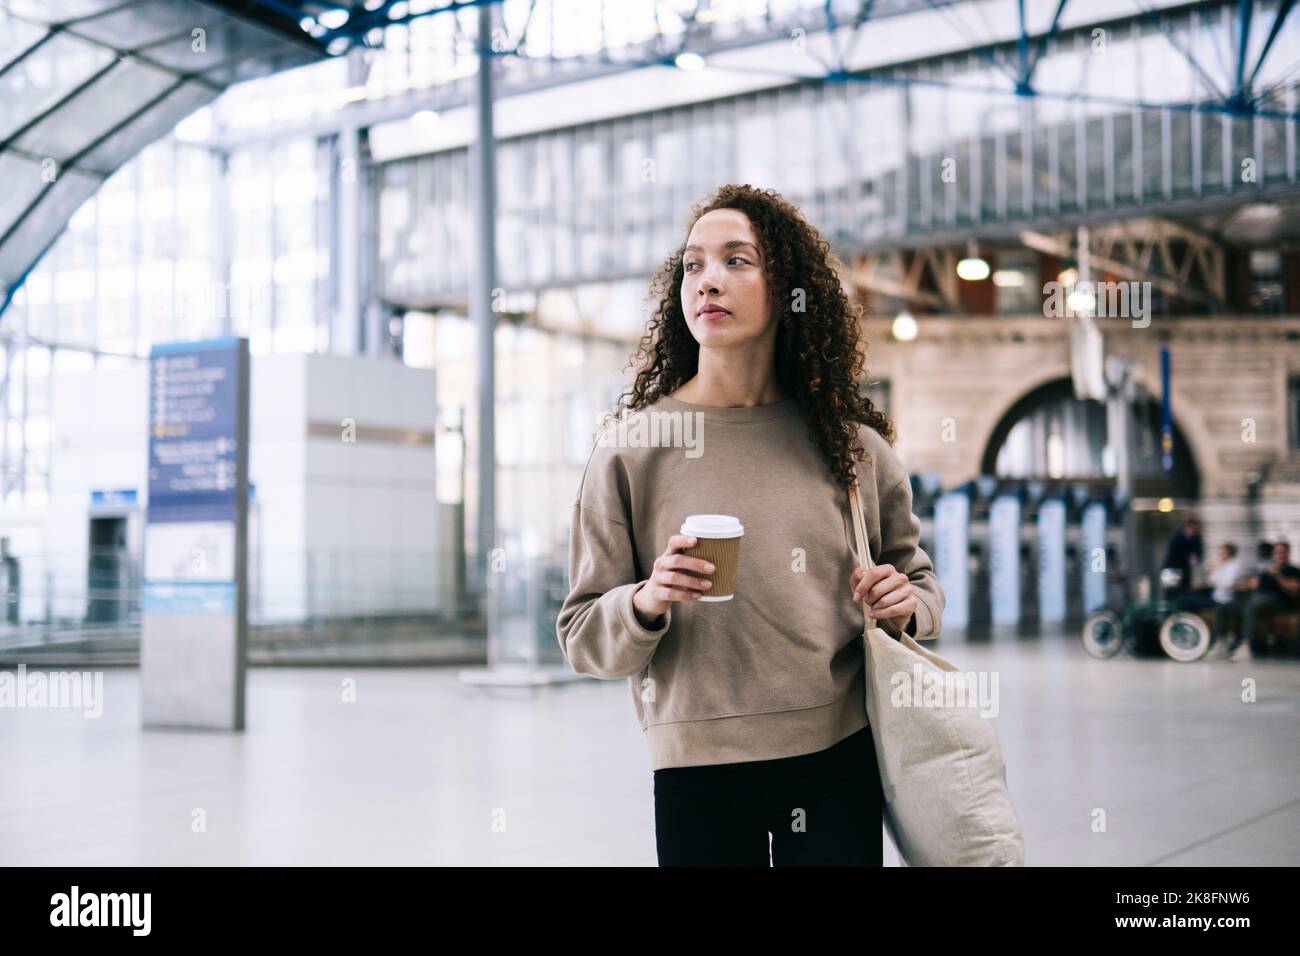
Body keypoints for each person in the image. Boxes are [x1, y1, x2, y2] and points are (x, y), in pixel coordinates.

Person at [555, 184, 945, 867]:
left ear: (789, 289)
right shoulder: (631, 449)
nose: (708, 280)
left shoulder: (852, 447)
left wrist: (906, 603)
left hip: (836, 758)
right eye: (694, 265)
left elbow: (920, 583)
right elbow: (583, 636)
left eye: (737, 260)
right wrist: (646, 602)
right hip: (696, 769)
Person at [1235, 541, 1300, 659]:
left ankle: (1245, 645)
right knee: (1236, 606)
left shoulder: (1293, 570)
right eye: (1276, 552)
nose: (1279, 555)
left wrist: (1279, 576)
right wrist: (1241, 584)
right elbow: (1255, 584)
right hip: (1260, 599)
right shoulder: (1268, 569)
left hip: (1279, 602)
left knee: (1252, 607)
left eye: (1282, 552)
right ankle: (1231, 643)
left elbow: (1293, 589)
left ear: (1288, 553)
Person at [1161, 516, 1203, 598]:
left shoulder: (1196, 538)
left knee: (1185, 591)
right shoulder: (1177, 537)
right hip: (1172, 568)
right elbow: (1173, 554)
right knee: (1171, 592)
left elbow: (1199, 554)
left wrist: (1195, 558)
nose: (1193, 531)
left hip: (1186, 570)